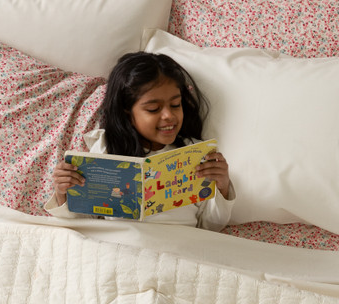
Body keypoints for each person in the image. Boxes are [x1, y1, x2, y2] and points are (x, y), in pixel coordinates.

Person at [45, 52, 235, 231]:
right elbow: (87, 224)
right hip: (123, 243)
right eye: (153, 109)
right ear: (127, 111)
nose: (169, 115)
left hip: (180, 245)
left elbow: (210, 226)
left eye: (176, 105)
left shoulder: (196, 153)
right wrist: (63, 193)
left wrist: (223, 186)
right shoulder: (105, 149)